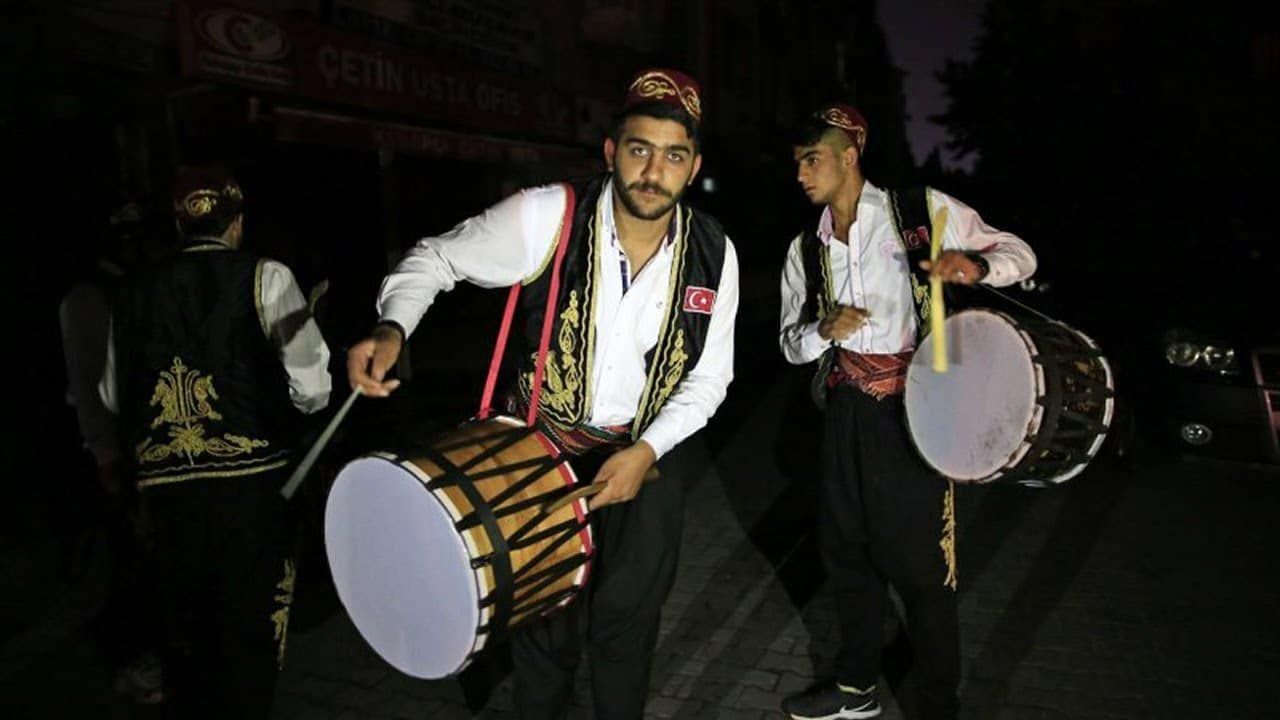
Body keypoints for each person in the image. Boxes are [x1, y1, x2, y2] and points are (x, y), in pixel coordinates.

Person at [347, 68, 738, 720]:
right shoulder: (548, 215)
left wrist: (646, 451)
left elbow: (708, 379)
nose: (653, 172)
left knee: (628, 622)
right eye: (639, 149)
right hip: (541, 451)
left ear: (693, 167)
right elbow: (437, 258)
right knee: (543, 626)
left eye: (674, 156)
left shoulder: (714, 253)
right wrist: (393, 328)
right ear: (611, 151)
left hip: (647, 457)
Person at [778, 105, 1037, 720]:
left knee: (922, 567)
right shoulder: (805, 248)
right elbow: (790, 344)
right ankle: (855, 689)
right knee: (846, 553)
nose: (801, 175)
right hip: (845, 411)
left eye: (812, 160)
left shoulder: (919, 212)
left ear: (849, 156)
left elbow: (1020, 253)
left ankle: (936, 701)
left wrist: (976, 265)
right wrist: (822, 330)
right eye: (797, 163)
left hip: (917, 413)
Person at [99, 167, 332, 718]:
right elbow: (313, 389)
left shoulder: (131, 292)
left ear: (179, 225)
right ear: (238, 222)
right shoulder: (265, 276)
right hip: (250, 488)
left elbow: (112, 394)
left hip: (167, 493)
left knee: (188, 631)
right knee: (249, 628)